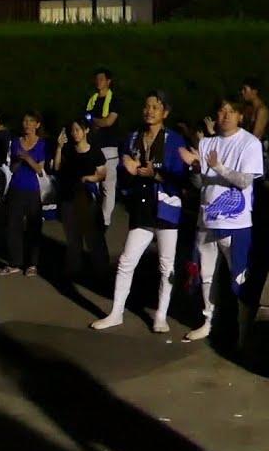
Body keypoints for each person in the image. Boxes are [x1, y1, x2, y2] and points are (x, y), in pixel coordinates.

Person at [91, 91, 187, 332]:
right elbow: (125, 174)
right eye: (147, 106)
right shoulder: (133, 137)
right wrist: (129, 170)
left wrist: (154, 174)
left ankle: (161, 316)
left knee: (166, 265)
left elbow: (181, 178)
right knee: (126, 260)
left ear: (165, 112)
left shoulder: (174, 140)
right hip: (142, 207)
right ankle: (116, 312)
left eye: (155, 106)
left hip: (166, 208)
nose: (149, 110)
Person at [178, 98, 264, 342]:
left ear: (240, 116)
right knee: (206, 274)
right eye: (221, 111)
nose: (225, 115)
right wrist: (196, 168)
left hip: (235, 224)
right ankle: (208, 321)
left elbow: (245, 181)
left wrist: (218, 167)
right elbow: (201, 184)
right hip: (207, 220)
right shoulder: (207, 143)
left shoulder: (250, 143)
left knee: (239, 278)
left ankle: (244, 331)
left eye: (231, 111)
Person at [54, 119, 109, 277]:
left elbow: (102, 174)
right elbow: (57, 167)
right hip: (68, 197)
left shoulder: (95, 152)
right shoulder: (69, 150)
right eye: (73, 130)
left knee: (93, 236)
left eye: (78, 130)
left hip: (86, 198)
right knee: (72, 236)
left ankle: (101, 270)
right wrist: (59, 147)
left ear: (86, 131)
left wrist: (89, 178)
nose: (75, 133)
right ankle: (73, 269)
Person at [1, 111, 48, 276]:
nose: (27, 124)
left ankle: (32, 264)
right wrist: (18, 160)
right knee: (13, 226)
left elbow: (39, 168)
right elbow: (12, 168)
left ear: (37, 124)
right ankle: (14, 262)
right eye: (25, 121)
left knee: (33, 227)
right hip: (16, 187)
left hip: (33, 189)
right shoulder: (16, 142)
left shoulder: (41, 144)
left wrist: (27, 158)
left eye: (31, 121)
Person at [85, 68, 123, 227]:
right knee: (92, 183)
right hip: (93, 146)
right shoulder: (92, 100)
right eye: (97, 78)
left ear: (108, 81)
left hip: (109, 148)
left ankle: (105, 221)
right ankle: (91, 214)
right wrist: (95, 121)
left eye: (102, 78)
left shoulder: (114, 99)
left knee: (108, 186)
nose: (98, 81)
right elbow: (86, 119)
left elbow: (109, 121)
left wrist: (95, 121)